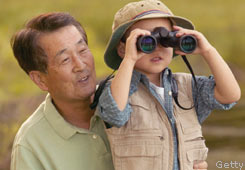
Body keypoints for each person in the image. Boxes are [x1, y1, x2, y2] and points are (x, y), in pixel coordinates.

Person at [10, 11, 209, 170]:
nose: (81, 65)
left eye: (82, 50)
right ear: (40, 79)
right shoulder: (30, 144)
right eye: (65, 59)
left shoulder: (130, 98)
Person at [97, 0, 241, 170]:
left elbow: (230, 96)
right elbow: (115, 113)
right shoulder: (119, 89)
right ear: (123, 49)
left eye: (165, 39)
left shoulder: (188, 86)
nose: (157, 48)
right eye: (147, 41)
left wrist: (208, 50)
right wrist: (129, 59)